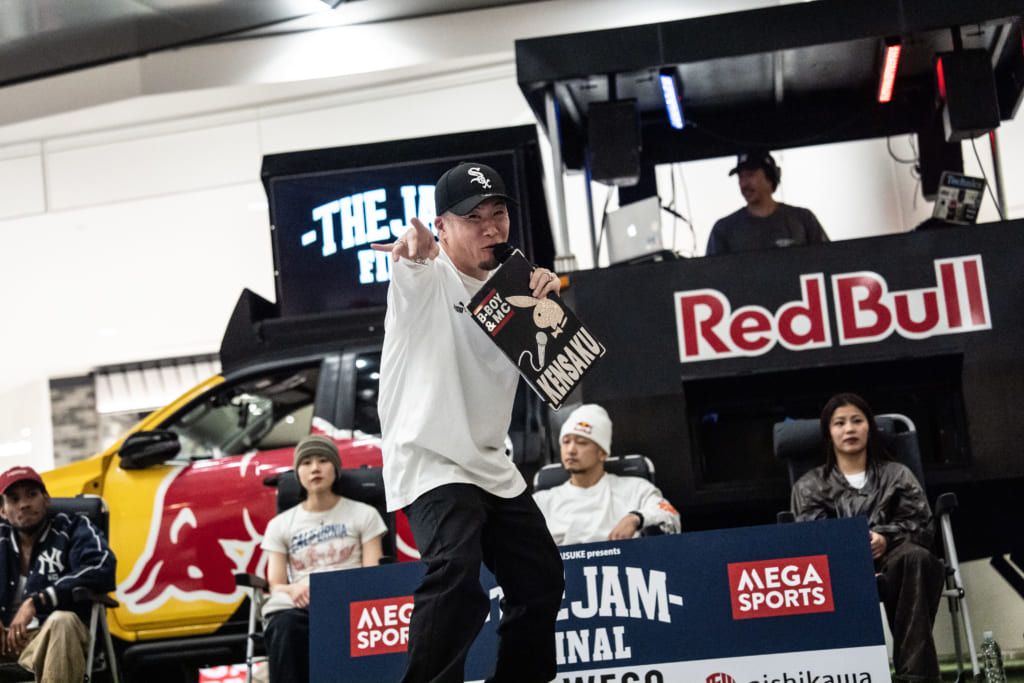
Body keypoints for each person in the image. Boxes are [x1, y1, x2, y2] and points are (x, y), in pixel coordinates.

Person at [372, 161, 565, 683]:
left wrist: (550, 308)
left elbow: (556, 372)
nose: (490, 228)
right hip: (430, 456)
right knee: (456, 571)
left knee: (541, 578)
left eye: (498, 214)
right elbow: (411, 268)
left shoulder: (517, 286)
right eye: (472, 218)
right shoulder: (427, 276)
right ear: (441, 226)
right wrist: (413, 254)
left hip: (488, 461)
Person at [790, 393, 944, 682]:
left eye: (857, 421)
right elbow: (811, 538)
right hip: (837, 567)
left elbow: (921, 525)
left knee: (917, 558)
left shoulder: (897, 474)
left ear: (869, 428)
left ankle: (915, 677)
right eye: (840, 423)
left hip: (895, 559)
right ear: (828, 433)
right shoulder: (809, 485)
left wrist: (884, 538)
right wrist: (853, 552)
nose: (849, 429)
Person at [259, 435, 387, 683]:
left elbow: (373, 575)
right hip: (303, 606)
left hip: (351, 603)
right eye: (306, 462)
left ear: (335, 468)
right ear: (297, 472)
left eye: (323, 460)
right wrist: (294, 589)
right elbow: (276, 584)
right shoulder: (280, 525)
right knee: (285, 626)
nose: (315, 468)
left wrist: (339, 593)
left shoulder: (364, 514)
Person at [0, 465, 116, 682]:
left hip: (54, 637)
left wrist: (37, 600)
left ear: (46, 499)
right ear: (3, 511)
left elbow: (102, 567)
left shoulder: (74, 528)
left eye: (31, 495)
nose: (24, 504)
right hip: (6, 642)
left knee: (62, 621)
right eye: (14, 499)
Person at [533, 404, 681, 545]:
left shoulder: (636, 489)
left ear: (603, 453)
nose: (571, 450)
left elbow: (670, 514)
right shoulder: (542, 502)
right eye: (566, 442)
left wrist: (636, 518)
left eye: (581, 442)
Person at [705, 150, 829, 255]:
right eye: (741, 177)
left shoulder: (803, 219)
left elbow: (829, 259)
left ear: (770, 178)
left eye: (750, 175)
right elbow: (711, 272)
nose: (744, 184)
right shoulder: (723, 229)